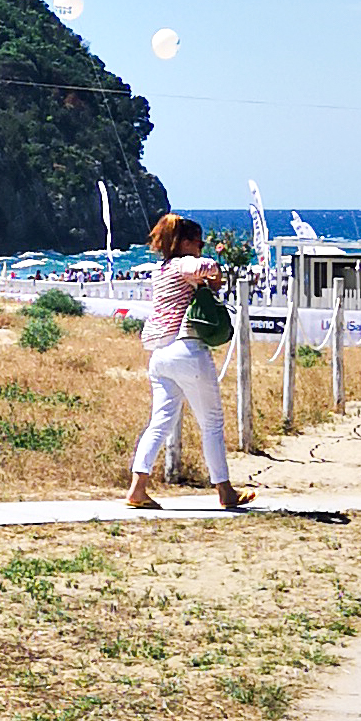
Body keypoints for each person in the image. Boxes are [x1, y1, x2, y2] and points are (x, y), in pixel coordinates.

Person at [125, 212, 247, 512]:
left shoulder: (160, 270)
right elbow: (203, 266)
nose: (201, 247)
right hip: (187, 348)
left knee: (160, 422)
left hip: (160, 355)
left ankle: (137, 488)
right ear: (186, 243)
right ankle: (225, 491)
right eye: (199, 242)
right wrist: (214, 269)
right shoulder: (183, 264)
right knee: (212, 423)